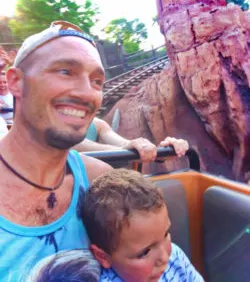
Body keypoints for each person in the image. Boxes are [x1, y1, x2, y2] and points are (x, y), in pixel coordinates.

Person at [0, 20, 188, 281]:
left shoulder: (99, 182)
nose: (87, 93)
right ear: (16, 82)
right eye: (65, 71)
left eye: (97, 81)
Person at [83, 168, 204, 282]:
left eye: (166, 234)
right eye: (145, 252)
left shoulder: (175, 257)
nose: (164, 258)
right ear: (103, 257)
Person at [74, 116, 189, 163]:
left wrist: (166, 150)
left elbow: (125, 144)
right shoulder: (58, 132)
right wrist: (124, 150)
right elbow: (76, 144)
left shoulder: (98, 125)